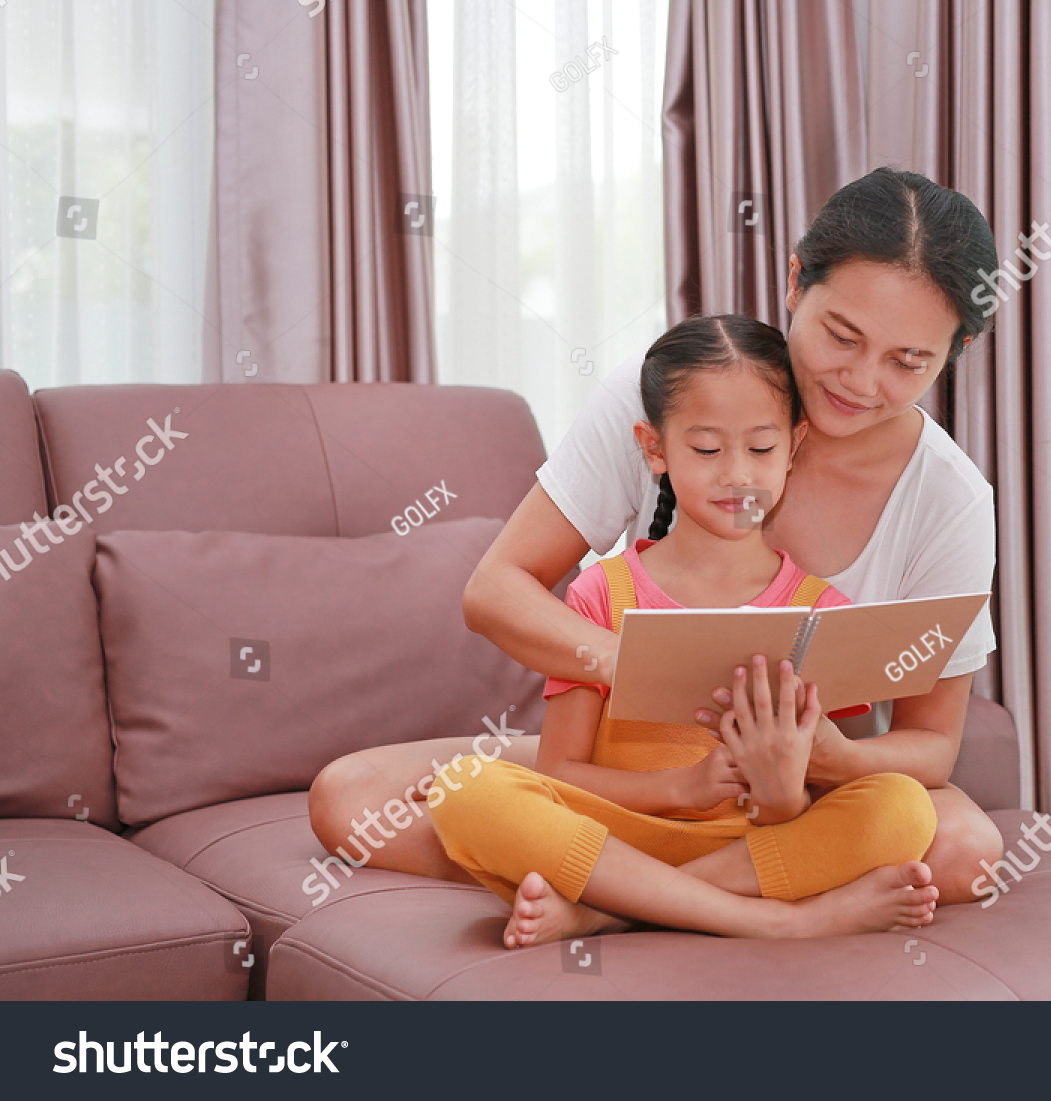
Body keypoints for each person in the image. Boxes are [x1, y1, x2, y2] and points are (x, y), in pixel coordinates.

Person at [311, 166, 1005, 909]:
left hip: (790, 786)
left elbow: (931, 743)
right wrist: (644, 665)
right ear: (796, 282)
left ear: (953, 352)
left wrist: (819, 755)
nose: (862, 381)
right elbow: (496, 591)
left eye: (908, 362)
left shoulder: (951, 500)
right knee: (351, 799)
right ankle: (723, 895)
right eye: (842, 335)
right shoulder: (665, 398)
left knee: (965, 852)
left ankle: (601, 900)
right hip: (633, 768)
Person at [423, 314, 940, 948]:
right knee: (465, 788)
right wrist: (680, 789)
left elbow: (797, 808)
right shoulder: (601, 593)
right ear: (655, 448)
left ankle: (613, 911)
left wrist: (778, 794)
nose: (737, 476)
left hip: (746, 846)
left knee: (902, 806)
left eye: (760, 448)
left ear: (795, 442)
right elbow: (561, 773)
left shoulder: (821, 614)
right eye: (705, 450)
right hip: (616, 833)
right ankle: (780, 921)